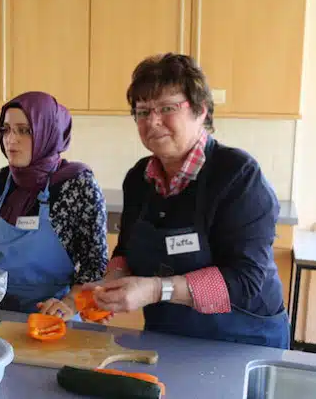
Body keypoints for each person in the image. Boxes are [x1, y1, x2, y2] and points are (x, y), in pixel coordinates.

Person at [84, 53, 289, 348]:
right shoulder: (138, 179)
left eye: (167, 108)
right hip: (167, 335)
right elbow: (127, 248)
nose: (152, 121)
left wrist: (156, 290)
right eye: (142, 112)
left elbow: (245, 281)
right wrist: (111, 281)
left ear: (200, 111)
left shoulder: (238, 176)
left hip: (243, 337)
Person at [0, 91, 108, 320]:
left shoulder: (76, 185)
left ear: (48, 133)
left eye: (24, 130)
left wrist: (69, 304)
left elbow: (94, 265)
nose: (11, 139)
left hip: (50, 317)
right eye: (6, 129)